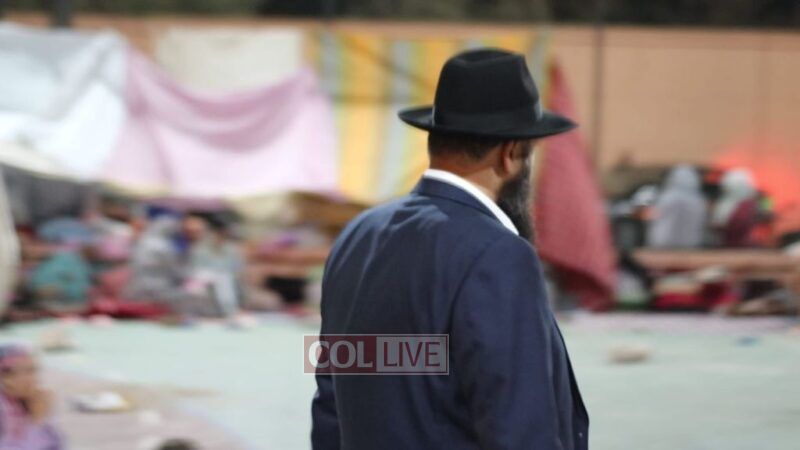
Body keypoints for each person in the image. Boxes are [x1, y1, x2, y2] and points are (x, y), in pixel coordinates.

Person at [311, 49, 588, 450]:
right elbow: (518, 425)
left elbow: (333, 402)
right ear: (511, 154)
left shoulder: (358, 237)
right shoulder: (496, 253)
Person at [0, 345, 63, 449]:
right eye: (27, 371)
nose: (33, 379)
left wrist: (43, 417)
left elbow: (56, 444)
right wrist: (37, 420)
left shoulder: (31, 401)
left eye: (33, 370)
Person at [647, 165, 707, 248]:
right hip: (690, 243)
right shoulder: (697, 200)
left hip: (663, 241)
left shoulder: (666, 197)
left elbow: (655, 216)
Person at [711, 168, 759, 247]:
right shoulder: (749, 203)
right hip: (734, 244)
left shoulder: (745, 204)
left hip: (733, 244)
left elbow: (720, 225)